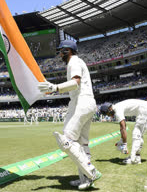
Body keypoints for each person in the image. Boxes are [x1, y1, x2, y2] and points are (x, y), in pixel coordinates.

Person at [38, 40, 101, 190]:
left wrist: (55, 87)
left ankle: (91, 171)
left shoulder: (74, 61)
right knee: (82, 143)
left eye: (61, 51)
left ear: (67, 51)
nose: (59, 54)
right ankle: (85, 179)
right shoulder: (76, 61)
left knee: (66, 140)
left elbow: (76, 82)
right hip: (87, 103)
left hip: (80, 103)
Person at [99, 99, 147, 164]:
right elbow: (122, 126)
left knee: (136, 133)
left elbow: (123, 127)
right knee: (139, 134)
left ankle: (133, 159)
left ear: (109, 109)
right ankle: (137, 157)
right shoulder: (117, 107)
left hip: (144, 109)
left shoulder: (117, 110)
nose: (108, 115)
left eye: (106, 113)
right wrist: (122, 139)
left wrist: (124, 144)